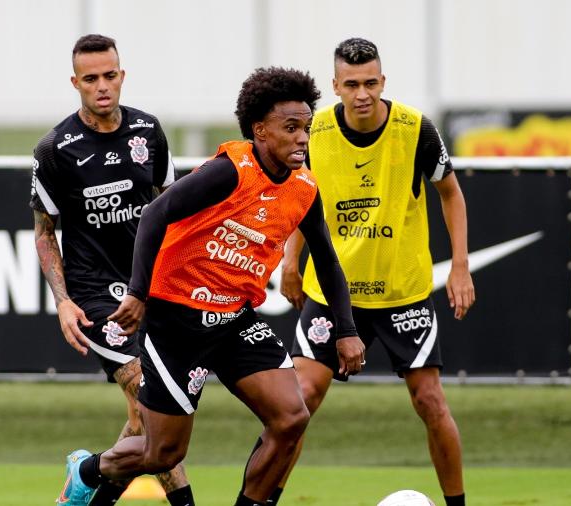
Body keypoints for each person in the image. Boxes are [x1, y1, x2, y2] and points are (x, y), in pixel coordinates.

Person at [58, 66, 366, 506]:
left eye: (307, 128)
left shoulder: (304, 187)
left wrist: (347, 330)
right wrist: (139, 293)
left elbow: (328, 259)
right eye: (291, 128)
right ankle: (88, 469)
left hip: (233, 319)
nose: (302, 138)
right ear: (260, 130)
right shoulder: (230, 170)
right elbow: (153, 215)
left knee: (291, 417)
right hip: (176, 321)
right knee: (163, 452)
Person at [275, 38, 475, 506]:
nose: (362, 93)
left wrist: (460, 267)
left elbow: (451, 193)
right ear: (335, 86)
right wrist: (289, 259)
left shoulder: (416, 129)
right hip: (332, 293)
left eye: (370, 83)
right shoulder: (314, 132)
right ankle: (264, 498)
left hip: (401, 292)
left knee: (429, 401)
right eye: (351, 84)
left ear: (382, 82)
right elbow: (300, 201)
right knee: (298, 401)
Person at [29, 34, 194, 506]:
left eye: (110, 75)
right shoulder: (56, 148)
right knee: (151, 395)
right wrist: (63, 303)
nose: (102, 86)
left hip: (151, 291)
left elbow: (169, 207)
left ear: (122, 74)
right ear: (75, 82)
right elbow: (45, 232)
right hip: (98, 297)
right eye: (91, 78)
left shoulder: (148, 131)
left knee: (147, 420)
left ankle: (85, 480)